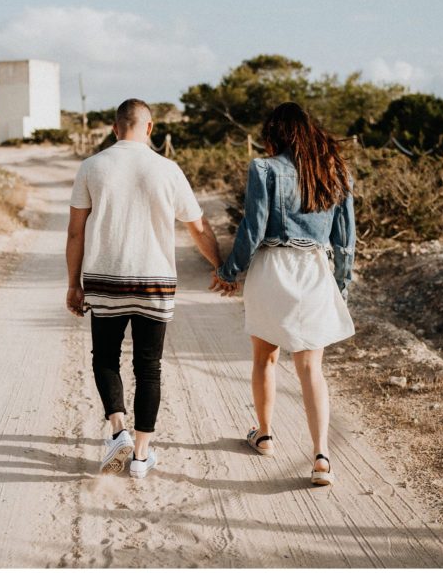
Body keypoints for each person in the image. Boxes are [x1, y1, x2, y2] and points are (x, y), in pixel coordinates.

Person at [66, 98, 226, 479]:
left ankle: (117, 430)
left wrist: (73, 283)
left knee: (105, 358)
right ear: (150, 127)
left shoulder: (92, 167)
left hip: (105, 279)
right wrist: (221, 267)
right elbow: (199, 227)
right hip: (155, 281)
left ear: (114, 126)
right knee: (149, 366)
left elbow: (76, 232)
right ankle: (140, 455)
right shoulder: (168, 169)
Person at [214, 102, 355, 486]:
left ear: (275, 134)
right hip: (314, 270)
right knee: (311, 368)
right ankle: (321, 456)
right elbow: (346, 241)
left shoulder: (264, 168)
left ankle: (264, 435)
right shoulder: (337, 172)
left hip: (273, 269)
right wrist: (340, 285)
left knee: (266, 358)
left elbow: (253, 228)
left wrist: (230, 271)